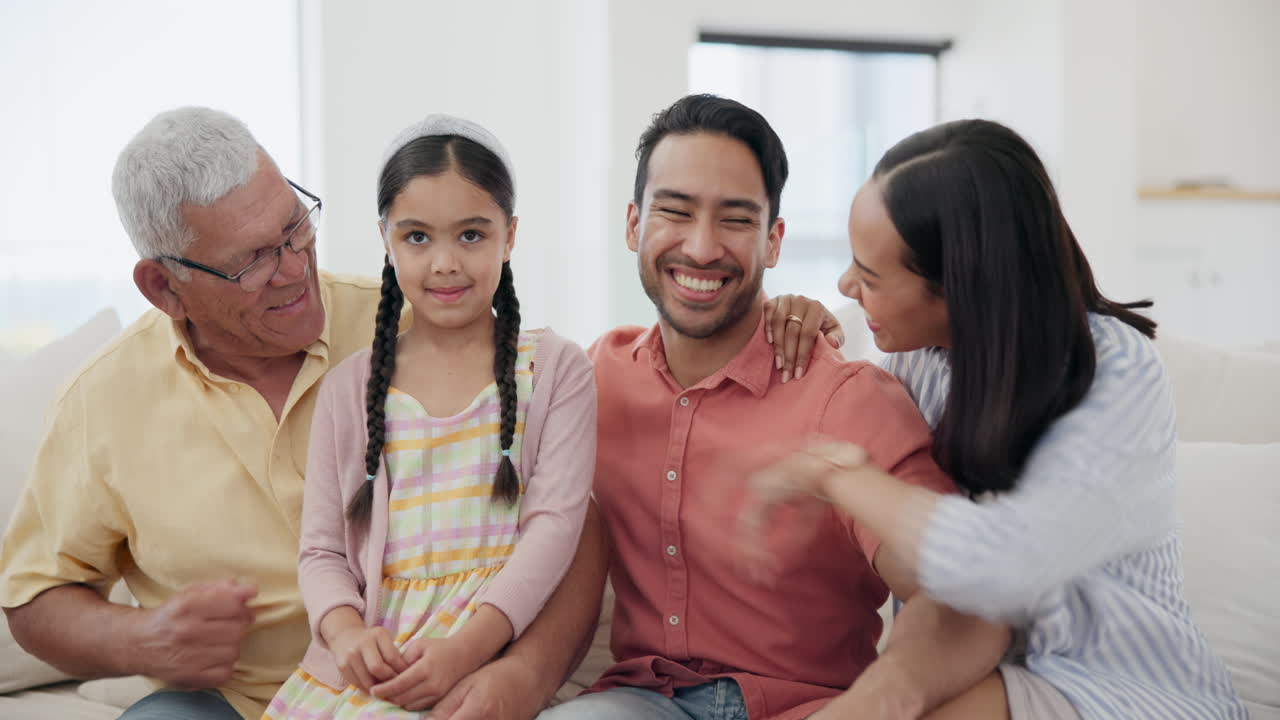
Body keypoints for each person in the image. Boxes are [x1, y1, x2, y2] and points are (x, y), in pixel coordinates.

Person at [0, 107, 608, 720]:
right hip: (234, 699)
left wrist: (523, 676)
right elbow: (31, 598)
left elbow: (569, 521)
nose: (295, 269)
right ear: (164, 287)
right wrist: (142, 639)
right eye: (252, 261)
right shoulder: (101, 401)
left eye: (296, 226)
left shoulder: (425, 316)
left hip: (440, 667)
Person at [741, 118, 1248, 719]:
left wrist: (840, 477)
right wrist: (796, 316)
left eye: (869, 276)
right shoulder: (922, 363)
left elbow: (1005, 567)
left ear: (960, 287)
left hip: (1124, 690)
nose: (845, 286)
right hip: (973, 667)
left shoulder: (1116, 371)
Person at [542, 95, 1007, 720]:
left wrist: (878, 704)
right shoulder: (594, 377)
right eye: (675, 212)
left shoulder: (848, 399)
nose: (702, 248)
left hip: (806, 707)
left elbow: (954, 598)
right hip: (638, 701)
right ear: (633, 225)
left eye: (735, 220)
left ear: (774, 239)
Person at [262, 114, 597, 718]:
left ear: (510, 235)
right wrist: (346, 637)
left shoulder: (556, 371)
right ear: (386, 238)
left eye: (472, 235)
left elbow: (555, 531)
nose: (444, 263)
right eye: (418, 237)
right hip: (374, 671)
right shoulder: (349, 390)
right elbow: (321, 553)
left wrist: (466, 651)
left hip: (488, 657)